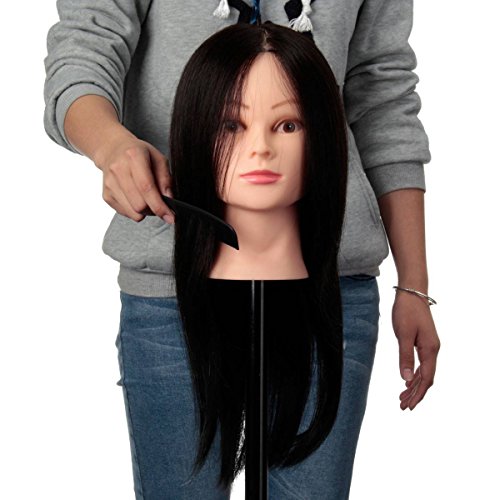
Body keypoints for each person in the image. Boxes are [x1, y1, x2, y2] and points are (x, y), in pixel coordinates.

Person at [43, 1, 440, 499]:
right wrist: (110, 146)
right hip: (174, 283)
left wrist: (414, 283)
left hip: (327, 281)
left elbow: (382, 91)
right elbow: (84, 47)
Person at [170, 21, 348, 491]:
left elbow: (387, 90)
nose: (261, 149)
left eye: (287, 125)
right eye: (232, 124)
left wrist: (414, 283)